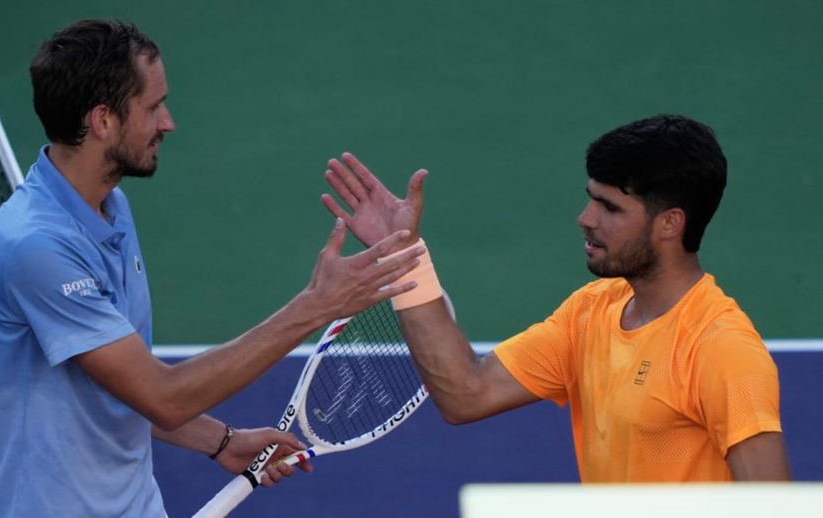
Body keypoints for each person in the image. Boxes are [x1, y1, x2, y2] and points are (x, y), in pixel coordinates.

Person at [0, 19, 424, 518]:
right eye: (152, 107)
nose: (168, 123)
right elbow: (161, 397)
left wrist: (220, 440)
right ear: (103, 121)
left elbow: (116, 387)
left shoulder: (111, 208)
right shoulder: (33, 246)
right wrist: (317, 306)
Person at [321, 114, 791, 482]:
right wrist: (406, 258)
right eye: (592, 198)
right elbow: (467, 393)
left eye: (609, 207)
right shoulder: (591, 312)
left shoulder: (721, 349)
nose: (584, 218)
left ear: (669, 223)